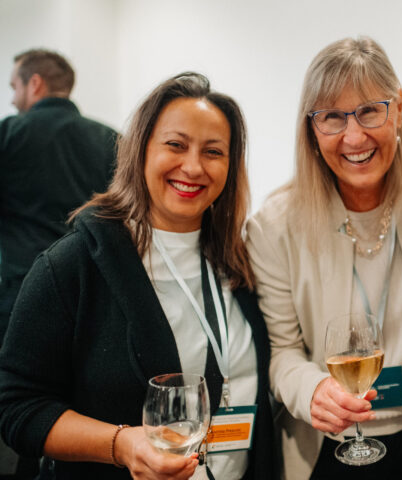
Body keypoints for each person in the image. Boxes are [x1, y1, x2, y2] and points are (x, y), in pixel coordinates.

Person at [0, 72, 275, 480]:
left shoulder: (238, 260)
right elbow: (17, 406)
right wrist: (121, 445)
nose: (193, 166)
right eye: (176, 145)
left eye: (213, 152)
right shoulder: (72, 264)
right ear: (141, 150)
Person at [247, 37, 402, 479]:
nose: (354, 137)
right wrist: (313, 390)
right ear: (311, 128)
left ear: (399, 107)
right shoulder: (274, 225)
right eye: (332, 117)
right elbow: (283, 352)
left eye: (370, 111)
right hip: (326, 446)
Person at [0, 49, 116, 341]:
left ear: (35, 84)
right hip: (92, 297)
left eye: (15, 87)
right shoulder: (112, 140)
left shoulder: (8, 133)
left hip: (21, 295)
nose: (13, 99)